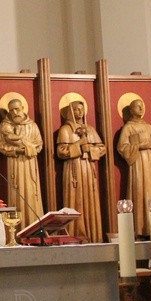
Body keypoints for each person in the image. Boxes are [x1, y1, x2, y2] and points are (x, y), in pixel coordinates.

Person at [56, 99, 106, 242]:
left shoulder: (90, 129)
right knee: (75, 200)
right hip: (73, 169)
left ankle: (92, 233)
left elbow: (102, 148)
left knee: (90, 200)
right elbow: (61, 151)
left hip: (88, 168)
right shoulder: (65, 130)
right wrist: (78, 146)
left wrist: (90, 149)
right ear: (70, 112)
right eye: (76, 109)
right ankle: (75, 233)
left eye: (81, 109)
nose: (79, 112)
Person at [117, 98, 151, 237]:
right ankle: (140, 227)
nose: (141, 109)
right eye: (137, 106)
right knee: (139, 190)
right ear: (131, 110)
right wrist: (138, 146)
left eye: (142, 106)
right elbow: (121, 146)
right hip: (137, 161)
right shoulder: (128, 127)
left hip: (149, 160)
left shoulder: (148, 126)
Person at [0, 98, 44, 228]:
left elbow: (39, 144)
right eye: (12, 110)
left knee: (32, 193)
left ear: (23, 108)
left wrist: (29, 148)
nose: (15, 112)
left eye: (17, 109)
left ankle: (35, 226)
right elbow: (1, 145)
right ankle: (17, 229)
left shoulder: (32, 125)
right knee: (17, 193)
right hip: (15, 163)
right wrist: (16, 150)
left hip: (30, 163)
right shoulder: (5, 126)